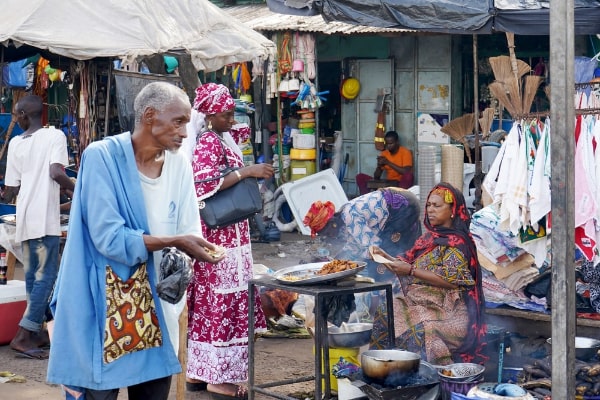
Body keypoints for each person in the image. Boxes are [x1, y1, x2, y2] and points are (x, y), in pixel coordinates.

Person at [47, 82, 224, 400]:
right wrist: (176, 241)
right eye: (178, 121)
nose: (185, 133)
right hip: (104, 313)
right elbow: (109, 238)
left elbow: (189, 228)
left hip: (157, 312)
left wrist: (190, 250)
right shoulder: (102, 158)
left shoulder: (180, 166)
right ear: (150, 116)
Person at [186, 83, 274, 399]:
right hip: (221, 237)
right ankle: (217, 377)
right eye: (226, 115)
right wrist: (246, 172)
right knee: (220, 298)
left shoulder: (219, 137)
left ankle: (200, 372)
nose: (232, 120)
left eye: (232, 114)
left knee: (216, 299)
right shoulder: (208, 141)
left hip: (232, 234)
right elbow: (203, 185)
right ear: (210, 115)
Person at [370, 182, 486, 365]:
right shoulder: (428, 239)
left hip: (449, 310)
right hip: (420, 302)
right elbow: (407, 262)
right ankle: (383, 368)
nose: (430, 210)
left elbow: (453, 282)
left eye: (437, 206)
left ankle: (422, 379)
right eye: (429, 205)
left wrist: (410, 270)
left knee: (419, 329)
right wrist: (385, 257)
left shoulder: (457, 243)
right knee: (386, 312)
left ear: (453, 210)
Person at [2, 95, 74, 360]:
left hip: (25, 218)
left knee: (34, 278)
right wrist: (79, 188)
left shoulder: (16, 143)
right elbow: (56, 173)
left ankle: (40, 332)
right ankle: (24, 335)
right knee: (45, 278)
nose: (15, 119)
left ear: (23, 114)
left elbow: (11, 189)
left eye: (15, 114)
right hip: (44, 219)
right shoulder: (53, 136)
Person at [355, 130, 413, 195]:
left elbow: (406, 172)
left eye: (391, 144)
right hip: (388, 184)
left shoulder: (405, 152)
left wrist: (388, 163)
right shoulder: (384, 153)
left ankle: (399, 198)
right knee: (360, 177)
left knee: (409, 176)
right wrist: (379, 166)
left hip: (399, 184)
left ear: (397, 142)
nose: (388, 146)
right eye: (387, 144)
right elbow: (376, 177)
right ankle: (367, 199)